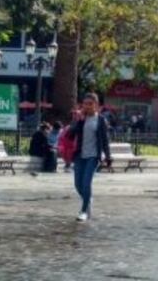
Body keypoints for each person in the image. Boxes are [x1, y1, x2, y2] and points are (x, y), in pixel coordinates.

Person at [69, 93, 112, 221]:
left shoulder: (101, 120)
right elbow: (70, 136)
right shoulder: (81, 119)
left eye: (90, 104)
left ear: (96, 105)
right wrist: (77, 121)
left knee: (86, 183)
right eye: (85, 104)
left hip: (93, 156)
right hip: (80, 156)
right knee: (78, 185)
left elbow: (105, 140)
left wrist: (108, 157)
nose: (87, 106)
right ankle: (88, 200)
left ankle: (83, 211)